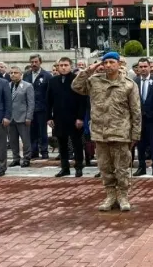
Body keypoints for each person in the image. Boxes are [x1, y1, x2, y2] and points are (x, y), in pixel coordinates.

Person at [72, 52, 141, 211]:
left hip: (121, 132)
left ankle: (123, 196)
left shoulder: (129, 84)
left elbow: (136, 111)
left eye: (111, 62)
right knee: (105, 167)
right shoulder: (94, 81)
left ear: (119, 64)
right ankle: (110, 196)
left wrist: (135, 134)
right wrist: (91, 68)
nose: (108, 65)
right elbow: (76, 86)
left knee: (122, 167)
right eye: (105, 62)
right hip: (100, 132)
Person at [47, 57, 87, 177]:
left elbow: (82, 100)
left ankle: (79, 167)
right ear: (57, 67)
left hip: (74, 118)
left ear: (70, 66)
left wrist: (80, 117)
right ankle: (65, 168)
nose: (63, 67)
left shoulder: (76, 80)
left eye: (66, 65)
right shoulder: (53, 81)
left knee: (77, 144)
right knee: (62, 144)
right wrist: (49, 117)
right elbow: (48, 101)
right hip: (59, 118)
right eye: (61, 65)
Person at [23, 54, 52, 160]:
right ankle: (34, 151)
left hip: (42, 108)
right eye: (32, 62)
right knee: (31, 131)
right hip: (29, 108)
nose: (34, 64)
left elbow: (49, 93)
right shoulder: (26, 75)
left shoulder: (47, 76)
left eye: (36, 62)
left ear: (40, 62)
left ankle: (44, 151)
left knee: (42, 131)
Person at [7, 66, 34, 168]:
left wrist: (29, 117)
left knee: (25, 140)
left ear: (21, 74)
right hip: (10, 118)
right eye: (11, 72)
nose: (13, 74)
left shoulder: (27, 86)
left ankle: (27, 158)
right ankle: (16, 158)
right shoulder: (7, 85)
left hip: (23, 117)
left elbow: (31, 103)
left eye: (15, 72)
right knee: (13, 140)